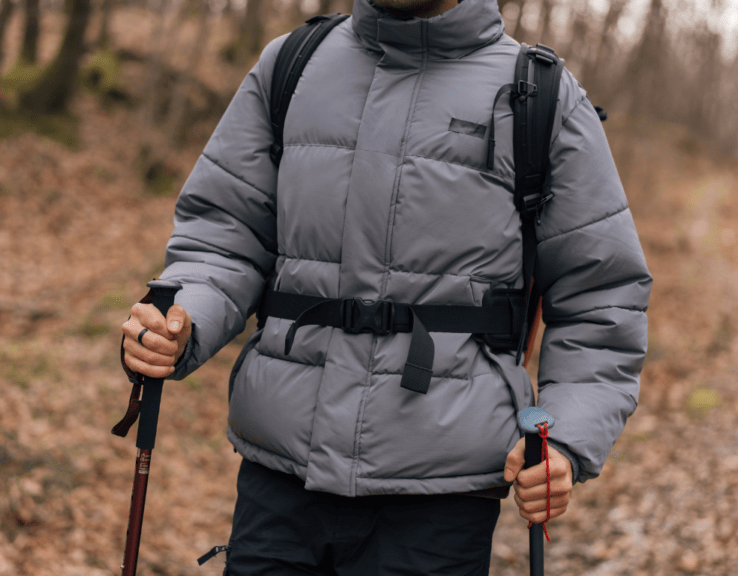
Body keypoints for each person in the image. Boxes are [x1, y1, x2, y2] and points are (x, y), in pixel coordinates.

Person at [121, 0, 651, 573]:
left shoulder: (540, 96)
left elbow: (601, 298)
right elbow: (224, 233)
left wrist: (565, 439)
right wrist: (183, 318)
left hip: (439, 502)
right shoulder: (292, 66)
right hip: (281, 478)